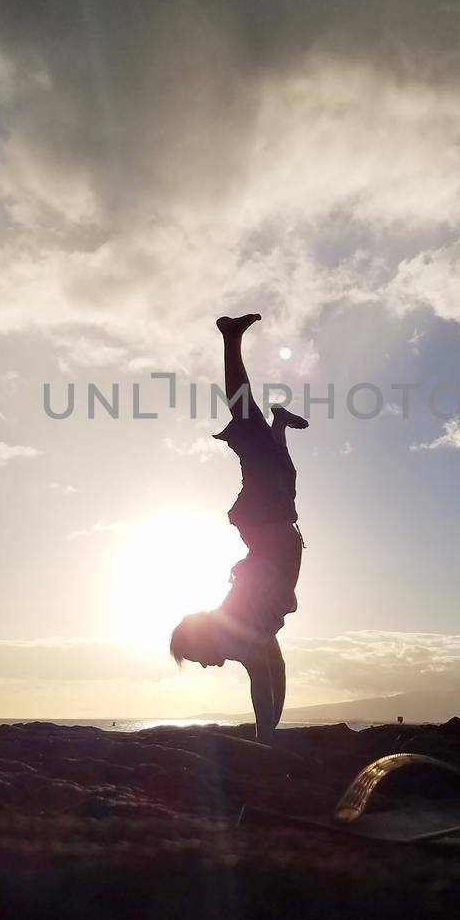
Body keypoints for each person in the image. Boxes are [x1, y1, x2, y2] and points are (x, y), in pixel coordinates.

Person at [170, 313, 307, 743]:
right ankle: (280, 423)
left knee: (246, 419)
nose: (208, 666)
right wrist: (272, 733)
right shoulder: (245, 633)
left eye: (197, 658)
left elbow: (261, 681)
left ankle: (230, 338)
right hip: (276, 522)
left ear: (204, 640)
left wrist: (264, 736)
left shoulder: (235, 633)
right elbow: (276, 670)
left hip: (265, 524)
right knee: (284, 472)